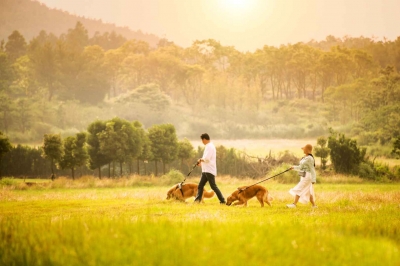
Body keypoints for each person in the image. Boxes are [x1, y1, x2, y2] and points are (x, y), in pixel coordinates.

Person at [194, 133, 226, 204]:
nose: (202, 142)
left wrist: (200, 159)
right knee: (200, 186)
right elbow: (206, 159)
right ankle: (197, 201)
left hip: (209, 170)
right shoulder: (208, 146)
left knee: (213, 186)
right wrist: (201, 163)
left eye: (202, 140)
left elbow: (207, 158)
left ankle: (222, 200)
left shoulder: (210, 146)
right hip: (205, 170)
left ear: (204, 139)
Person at [286, 144, 317, 208]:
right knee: (308, 191)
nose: (303, 150)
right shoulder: (304, 157)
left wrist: (313, 179)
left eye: (304, 149)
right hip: (303, 176)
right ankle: (314, 205)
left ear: (307, 150)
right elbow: (301, 167)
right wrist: (293, 167)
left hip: (307, 176)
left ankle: (294, 204)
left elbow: (312, 169)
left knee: (299, 188)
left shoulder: (310, 158)